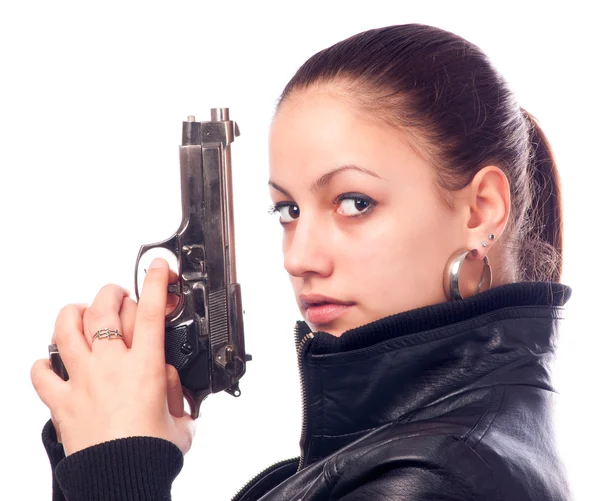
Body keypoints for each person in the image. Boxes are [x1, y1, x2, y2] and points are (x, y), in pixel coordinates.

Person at [31, 23, 572, 500]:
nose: (297, 257)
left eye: (354, 203)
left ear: (480, 210)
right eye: (287, 210)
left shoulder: (433, 482)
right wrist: (90, 445)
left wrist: (120, 467)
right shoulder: (397, 458)